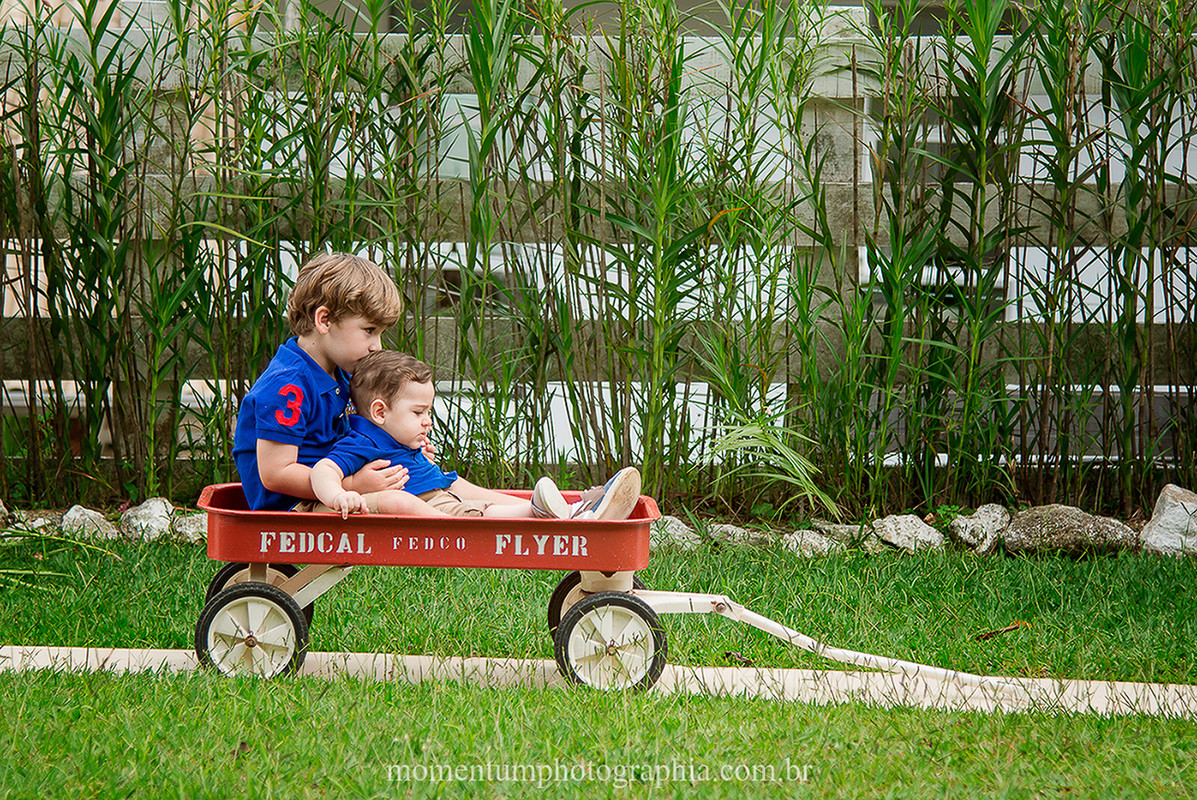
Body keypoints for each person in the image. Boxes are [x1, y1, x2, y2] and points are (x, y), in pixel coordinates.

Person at [310, 349, 642, 520]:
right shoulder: (362, 441)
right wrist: (337, 495)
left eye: (428, 412)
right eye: (418, 413)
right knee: (478, 512)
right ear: (380, 412)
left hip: (439, 493)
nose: (427, 421)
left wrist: (418, 453)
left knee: (468, 490)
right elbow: (325, 469)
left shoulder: (394, 436)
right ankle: (557, 513)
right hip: (431, 508)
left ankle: (563, 507)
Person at [232, 251, 411, 511]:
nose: (377, 347)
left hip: (336, 490)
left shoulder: (343, 373)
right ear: (324, 320)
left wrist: (406, 442)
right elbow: (275, 474)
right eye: (369, 331)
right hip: (293, 508)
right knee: (397, 504)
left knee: (437, 486)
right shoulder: (288, 386)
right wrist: (352, 484)